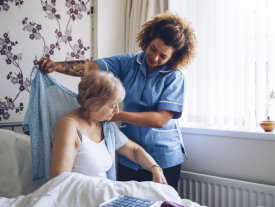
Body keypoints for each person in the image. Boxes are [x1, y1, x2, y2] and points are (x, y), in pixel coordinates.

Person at [40, 12, 196, 190]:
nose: (155, 57)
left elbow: (160, 119)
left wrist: (115, 114)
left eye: (163, 56)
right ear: (148, 40)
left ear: (174, 57)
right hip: (129, 156)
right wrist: (57, 66)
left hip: (164, 156)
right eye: (153, 49)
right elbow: (91, 67)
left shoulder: (174, 78)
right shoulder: (128, 63)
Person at [49, 69, 167, 185]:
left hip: (102, 195)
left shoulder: (105, 126)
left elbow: (134, 150)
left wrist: (155, 168)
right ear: (94, 104)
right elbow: (59, 181)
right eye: (112, 105)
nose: (117, 111)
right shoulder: (69, 126)